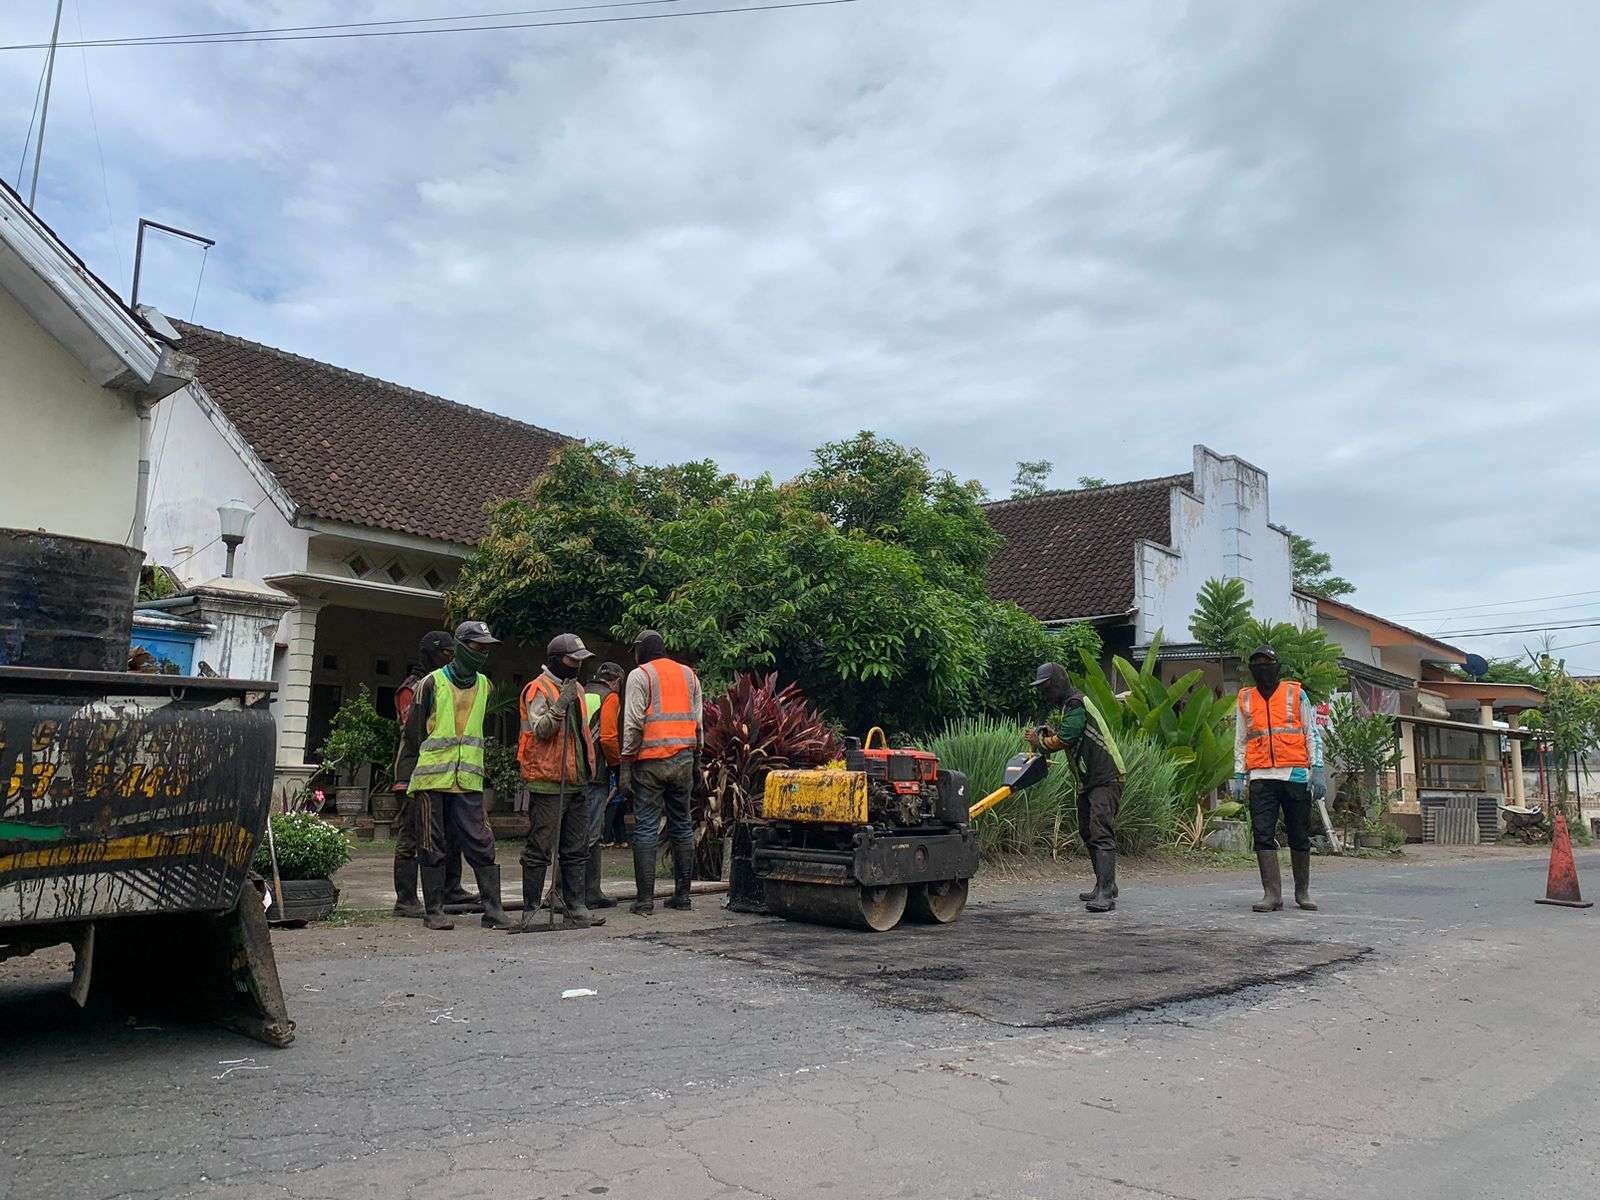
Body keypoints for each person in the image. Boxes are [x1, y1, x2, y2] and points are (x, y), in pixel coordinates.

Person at [399, 621, 517, 931]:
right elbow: (412, 735)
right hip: (431, 780)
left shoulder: (485, 685)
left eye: (486, 648)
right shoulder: (430, 683)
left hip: (468, 780)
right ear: (461, 645)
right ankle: (434, 910)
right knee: (431, 843)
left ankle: (493, 908)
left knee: (481, 841)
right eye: (477, 646)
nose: (482, 653)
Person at [512, 633, 604, 930]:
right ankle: (532, 909)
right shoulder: (538, 689)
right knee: (539, 848)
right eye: (571, 660)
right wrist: (559, 705)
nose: (577, 665)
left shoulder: (575, 687)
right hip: (548, 780)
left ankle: (575, 906)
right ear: (555, 659)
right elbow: (541, 730)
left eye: (580, 660)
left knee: (576, 848)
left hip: (576, 779)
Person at [1230, 645, 1325, 913]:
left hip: (1295, 774)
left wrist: (1317, 769)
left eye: (1267, 663)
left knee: (1299, 833)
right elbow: (1241, 738)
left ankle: (1302, 892)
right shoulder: (1245, 699)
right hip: (1260, 776)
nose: (1262, 668)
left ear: (1277, 667)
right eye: (1257, 664)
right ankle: (1272, 894)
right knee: (1262, 834)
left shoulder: (1296, 694)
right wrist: (1239, 773)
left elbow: (1312, 734)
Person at [390, 630, 478, 918]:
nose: (451, 657)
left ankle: (451, 889)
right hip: (414, 773)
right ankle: (405, 899)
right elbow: (414, 732)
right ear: (430, 653)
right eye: (445, 652)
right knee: (414, 836)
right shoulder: (414, 687)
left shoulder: (448, 683)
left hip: (447, 774)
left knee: (450, 834)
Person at [618, 630, 703, 915]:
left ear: (641, 650)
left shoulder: (640, 675)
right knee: (682, 825)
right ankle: (683, 897)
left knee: (645, 827)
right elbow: (697, 719)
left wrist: (626, 765)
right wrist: (697, 760)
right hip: (684, 759)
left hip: (650, 762)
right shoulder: (689, 675)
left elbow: (632, 723)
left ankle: (644, 902)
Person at [1026, 662, 1122, 912]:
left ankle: (1105, 893)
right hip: (1090, 780)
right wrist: (1049, 736)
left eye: (1046, 687)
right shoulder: (1072, 707)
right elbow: (1070, 734)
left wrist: (1041, 742)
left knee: (1100, 830)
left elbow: (1067, 737)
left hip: (1105, 777)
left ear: (1058, 682)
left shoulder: (1076, 703)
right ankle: (1105, 885)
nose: (1044, 693)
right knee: (1087, 831)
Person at [581, 662, 626, 910]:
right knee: (592, 834)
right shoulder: (609, 698)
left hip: (573, 772)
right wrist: (616, 767)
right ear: (616, 681)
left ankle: (569, 891)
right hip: (595, 772)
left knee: (573, 832)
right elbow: (608, 737)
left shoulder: (581, 691)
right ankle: (590, 893)